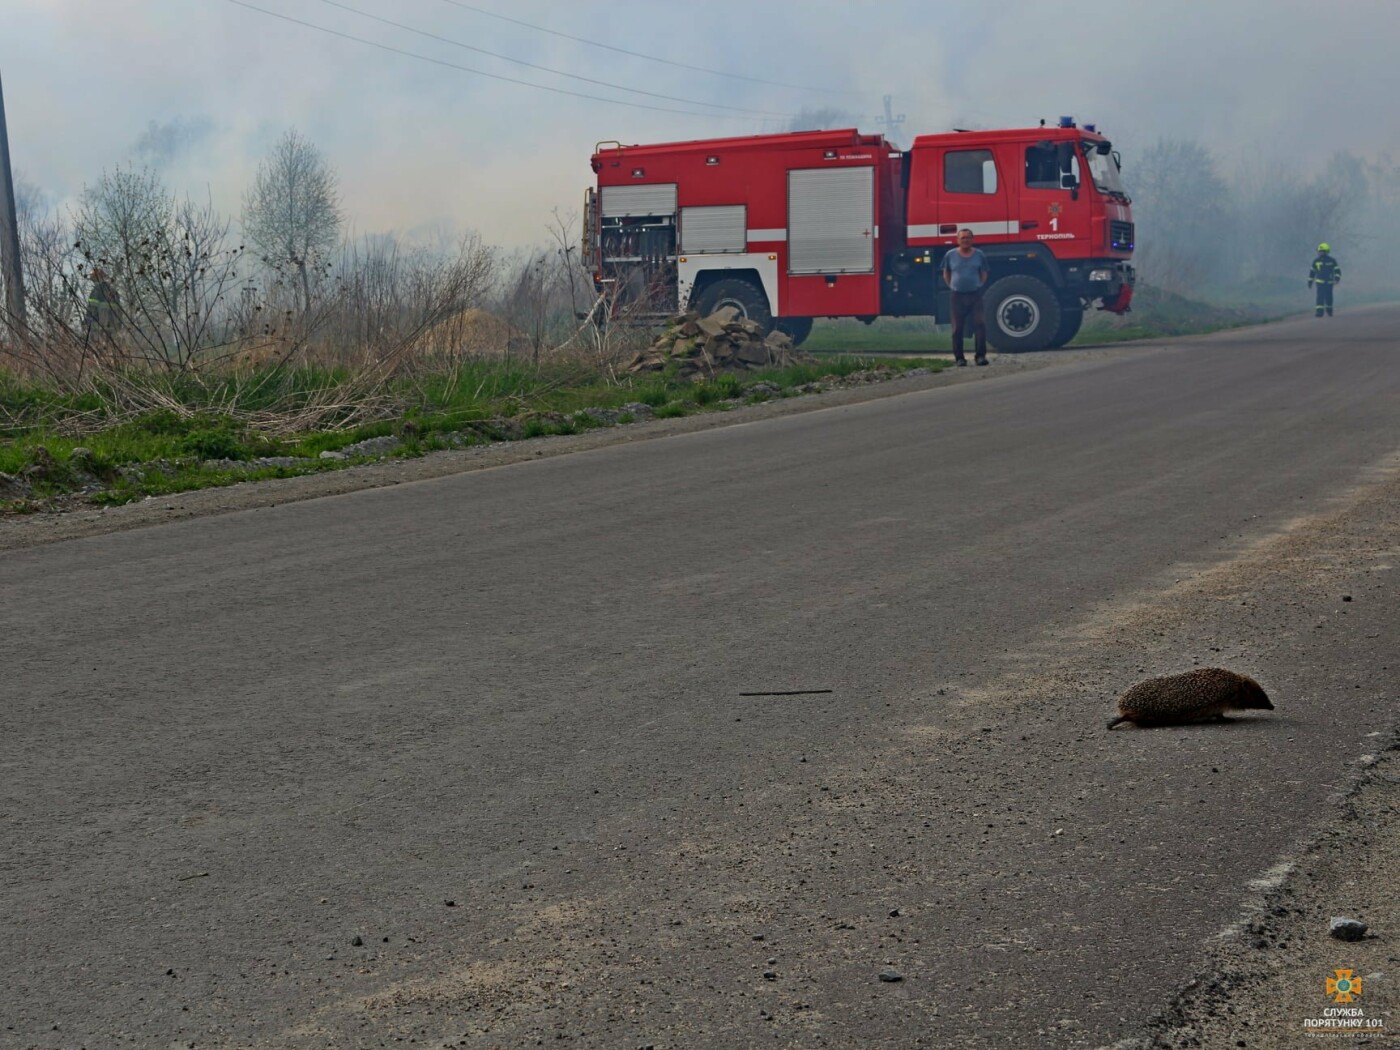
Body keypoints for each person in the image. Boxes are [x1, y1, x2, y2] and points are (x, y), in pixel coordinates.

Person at [941, 229, 990, 365]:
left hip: (975, 295)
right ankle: (959, 358)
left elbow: (984, 272)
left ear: (973, 239)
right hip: (957, 296)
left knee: (979, 324)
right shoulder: (950, 255)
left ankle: (980, 356)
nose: (965, 240)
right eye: (962, 238)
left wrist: (979, 284)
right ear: (957, 240)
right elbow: (946, 273)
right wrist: (951, 286)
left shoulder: (979, 255)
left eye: (968, 238)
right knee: (957, 328)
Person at [85, 266, 120, 340]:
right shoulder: (113, 290)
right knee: (111, 348)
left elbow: (92, 309)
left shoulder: (97, 290)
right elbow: (119, 311)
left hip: (98, 326)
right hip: (113, 326)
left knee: (98, 347)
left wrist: (87, 321)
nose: (93, 281)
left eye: (93, 279)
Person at [1308, 243, 1341, 318]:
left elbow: (1337, 271)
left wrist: (1337, 278)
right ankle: (1319, 312)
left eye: (1322, 251)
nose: (1320, 253)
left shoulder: (1332, 260)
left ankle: (1329, 311)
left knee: (1329, 297)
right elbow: (1312, 272)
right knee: (1320, 297)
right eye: (1319, 251)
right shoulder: (1316, 261)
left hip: (1329, 283)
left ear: (1326, 251)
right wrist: (1310, 281)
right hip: (1320, 282)